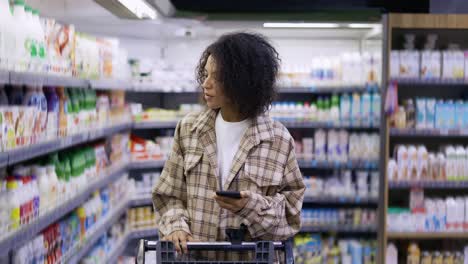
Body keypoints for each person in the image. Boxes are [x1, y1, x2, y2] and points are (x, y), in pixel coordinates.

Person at [152, 32, 305, 260]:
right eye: (205, 74)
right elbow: (168, 195)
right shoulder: (189, 130)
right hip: (195, 258)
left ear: (244, 81)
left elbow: (290, 219)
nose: (206, 83)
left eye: (218, 77)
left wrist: (250, 207)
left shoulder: (278, 140)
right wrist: (176, 226)